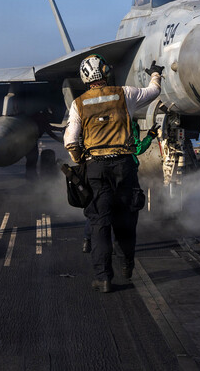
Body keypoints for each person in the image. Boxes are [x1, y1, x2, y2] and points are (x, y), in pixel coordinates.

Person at [65, 54, 163, 293]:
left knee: (99, 224)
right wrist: (156, 73)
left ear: (85, 78)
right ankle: (127, 266)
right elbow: (153, 92)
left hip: (96, 168)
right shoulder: (125, 94)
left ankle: (103, 278)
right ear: (106, 72)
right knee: (126, 220)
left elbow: (70, 141)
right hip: (123, 166)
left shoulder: (78, 104)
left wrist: (81, 161)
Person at [81, 119, 160, 254]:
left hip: (98, 168)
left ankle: (87, 240)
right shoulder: (129, 123)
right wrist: (150, 136)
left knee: (98, 207)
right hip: (123, 171)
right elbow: (138, 149)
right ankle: (118, 248)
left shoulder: (96, 121)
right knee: (122, 209)